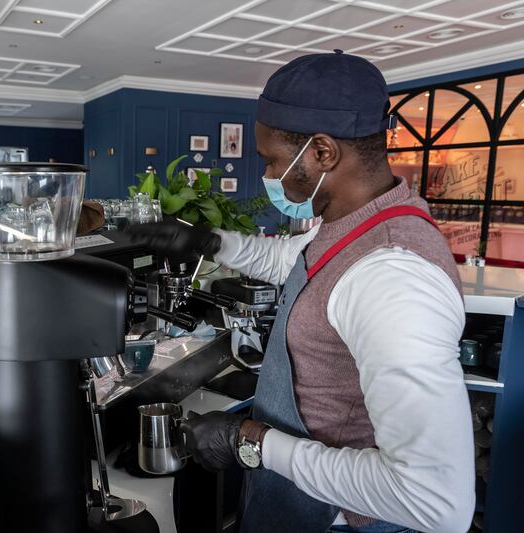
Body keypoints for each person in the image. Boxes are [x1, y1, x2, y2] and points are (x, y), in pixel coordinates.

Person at [126, 52, 474, 533]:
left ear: (322, 152)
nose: (268, 175)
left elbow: (434, 501)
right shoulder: (352, 221)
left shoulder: (395, 276)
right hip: (292, 501)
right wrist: (206, 240)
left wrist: (248, 439)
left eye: (271, 160)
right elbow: (295, 263)